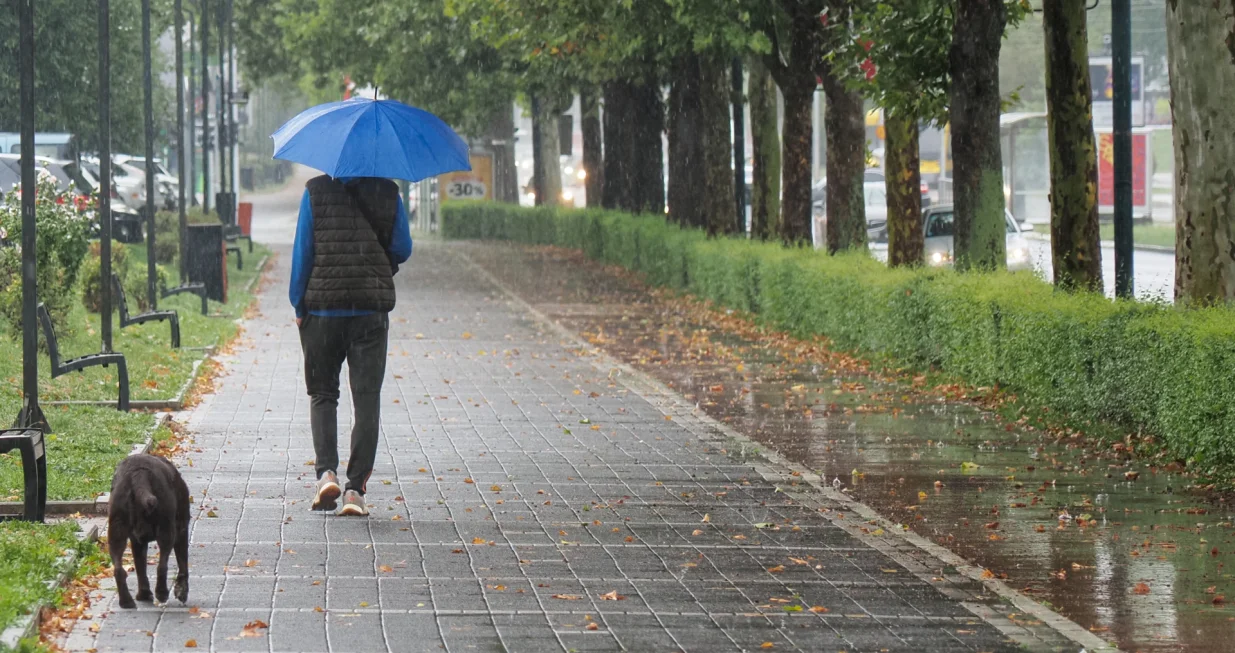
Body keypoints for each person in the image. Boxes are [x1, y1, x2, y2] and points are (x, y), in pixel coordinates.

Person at [289, 175, 411, 516]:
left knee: (323, 394)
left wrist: (299, 304)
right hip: (370, 312)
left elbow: (304, 251)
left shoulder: (315, 191)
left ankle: (326, 473)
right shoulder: (388, 192)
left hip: (323, 311)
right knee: (367, 400)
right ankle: (355, 490)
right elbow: (403, 247)